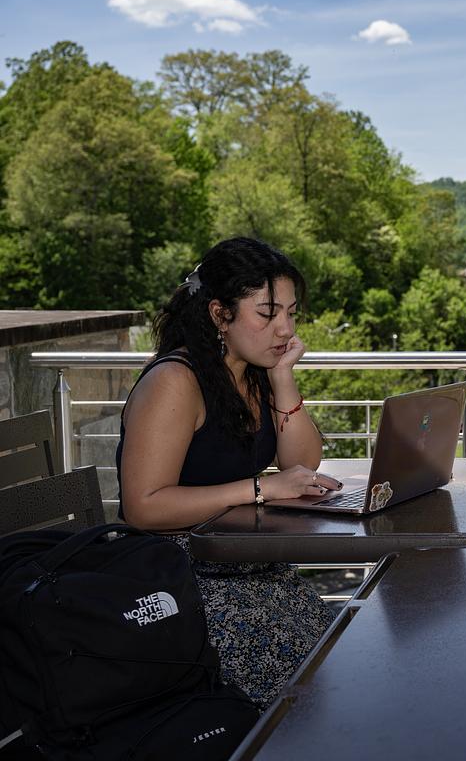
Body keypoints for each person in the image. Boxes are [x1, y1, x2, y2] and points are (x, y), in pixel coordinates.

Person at [116, 236, 340, 708]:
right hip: (181, 577)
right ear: (220, 314)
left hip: (242, 565)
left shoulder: (252, 371)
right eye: (267, 313)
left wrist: (282, 377)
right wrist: (260, 488)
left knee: (338, 656)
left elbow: (302, 462)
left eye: (291, 313)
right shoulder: (176, 381)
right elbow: (142, 506)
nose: (285, 329)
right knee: (310, 679)